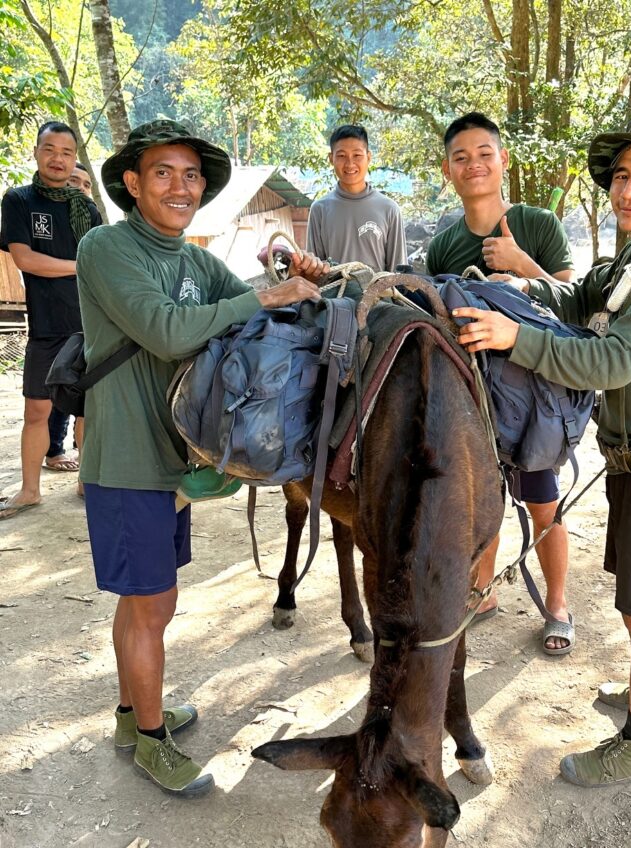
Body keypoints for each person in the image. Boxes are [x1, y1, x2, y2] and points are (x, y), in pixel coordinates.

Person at [453, 110, 631, 787]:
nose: (629, 190)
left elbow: (615, 362)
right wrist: (528, 287)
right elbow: (579, 299)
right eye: (623, 176)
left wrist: (516, 339)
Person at [77, 119, 329, 798]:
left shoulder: (192, 259)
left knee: (147, 600)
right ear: (132, 183)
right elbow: (165, 331)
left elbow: (246, 297)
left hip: (171, 458)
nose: (180, 187)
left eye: (191, 176)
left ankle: (136, 715)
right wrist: (264, 294)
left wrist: (296, 276)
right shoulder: (106, 247)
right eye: (163, 172)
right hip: (126, 457)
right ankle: (152, 745)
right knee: (152, 602)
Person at [426, 112, 578, 654]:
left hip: (532, 397)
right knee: (476, 501)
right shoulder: (444, 246)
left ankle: (557, 604)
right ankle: (483, 592)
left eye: (484, 153)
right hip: (470, 401)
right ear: (449, 170)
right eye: (461, 157)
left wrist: (521, 265)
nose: (474, 164)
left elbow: (573, 308)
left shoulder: (537, 224)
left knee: (541, 502)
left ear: (503, 159)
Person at [0, 122, 101, 518]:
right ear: (37, 152)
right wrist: (81, 266)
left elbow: (104, 262)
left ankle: (85, 481)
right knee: (36, 411)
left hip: (91, 323)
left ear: (75, 157)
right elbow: (25, 259)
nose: (58, 158)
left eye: (66, 152)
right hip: (46, 326)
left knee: (87, 411)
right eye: (50, 149)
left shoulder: (87, 208)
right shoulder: (19, 200)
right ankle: (29, 490)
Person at [46, 162, 99, 479]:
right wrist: (80, 266)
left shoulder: (95, 226)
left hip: (87, 322)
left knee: (84, 394)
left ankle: (85, 466)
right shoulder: (48, 223)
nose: (81, 188)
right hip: (54, 319)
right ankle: (53, 449)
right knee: (55, 391)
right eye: (74, 181)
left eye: (87, 184)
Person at [306, 124, 407, 272]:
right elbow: (314, 271)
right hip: (332, 294)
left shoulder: (389, 209)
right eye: (341, 156)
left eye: (357, 155)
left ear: (369, 157)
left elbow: (398, 272)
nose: (350, 163)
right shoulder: (320, 210)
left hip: (377, 294)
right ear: (331, 158)